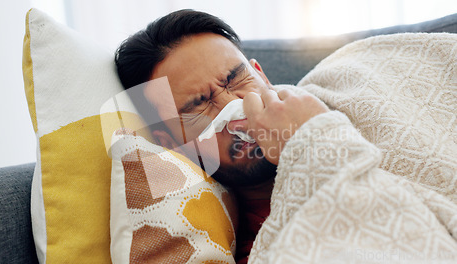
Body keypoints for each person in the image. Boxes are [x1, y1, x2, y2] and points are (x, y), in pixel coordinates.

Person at [114, 9, 329, 263]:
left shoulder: (348, 103)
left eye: (235, 79)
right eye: (199, 104)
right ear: (171, 144)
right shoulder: (261, 248)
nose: (236, 112)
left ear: (262, 76)